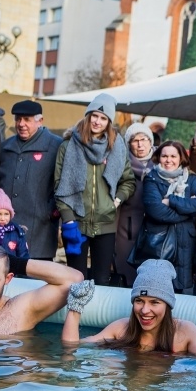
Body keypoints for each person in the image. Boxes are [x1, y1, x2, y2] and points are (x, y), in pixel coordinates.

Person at [61, 259, 196, 358]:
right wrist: (75, 308)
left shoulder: (186, 331)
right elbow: (72, 346)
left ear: (168, 305)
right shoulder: (122, 328)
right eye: (139, 301)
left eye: (154, 302)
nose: (145, 310)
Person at [54, 93, 136, 285]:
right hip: (75, 224)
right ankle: (74, 316)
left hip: (105, 224)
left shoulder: (117, 147)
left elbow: (128, 181)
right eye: (95, 116)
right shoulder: (67, 146)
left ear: (108, 122)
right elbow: (59, 186)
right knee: (75, 280)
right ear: (88, 116)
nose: (98, 121)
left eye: (103, 118)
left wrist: (115, 201)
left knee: (101, 280)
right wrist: (68, 219)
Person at [0, 100, 63, 260]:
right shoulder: (5, 147)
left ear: (40, 121)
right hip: (6, 228)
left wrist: (51, 211)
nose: (21, 124)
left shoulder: (56, 145)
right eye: (18, 119)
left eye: (27, 119)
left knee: (36, 279)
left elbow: (63, 183)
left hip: (40, 230)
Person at [138, 141, 196, 292]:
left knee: (180, 291)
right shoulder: (151, 178)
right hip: (159, 241)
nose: (169, 160)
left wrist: (171, 200)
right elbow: (156, 211)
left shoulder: (191, 179)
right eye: (164, 156)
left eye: (173, 156)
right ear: (158, 157)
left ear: (181, 158)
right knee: (157, 289)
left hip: (185, 242)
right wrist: (187, 210)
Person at [115, 122, 155, 285]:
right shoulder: (120, 165)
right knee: (127, 272)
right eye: (134, 140)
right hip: (127, 227)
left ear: (150, 142)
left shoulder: (162, 163)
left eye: (144, 139)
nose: (140, 144)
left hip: (154, 228)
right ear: (128, 144)